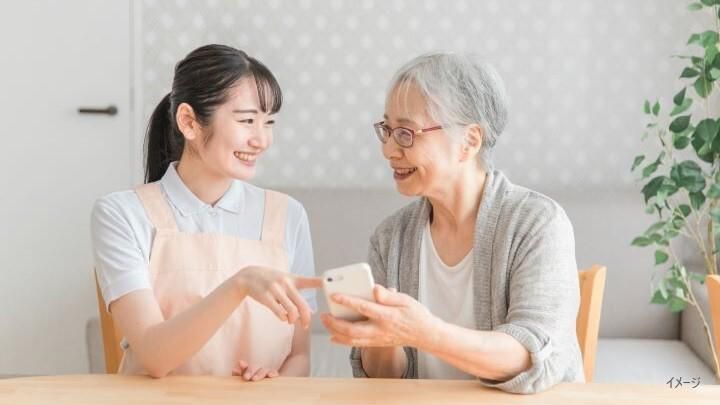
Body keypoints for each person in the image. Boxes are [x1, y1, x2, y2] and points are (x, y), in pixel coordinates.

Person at [320, 52, 584, 394]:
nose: (388, 150)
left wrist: (425, 333)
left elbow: (532, 356)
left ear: (469, 141)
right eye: (387, 130)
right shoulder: (391, 238)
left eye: (406, 133)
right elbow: (384, 382)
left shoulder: (536, 223)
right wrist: (382, 335)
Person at [91, 44, 320, 380]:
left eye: (268, 122)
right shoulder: (122, 214)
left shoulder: (289, 215)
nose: (262, 139)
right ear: (189, 122)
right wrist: (240, 283)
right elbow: (154, 355)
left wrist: (274, 385)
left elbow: (299, 355)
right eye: (247, 121)